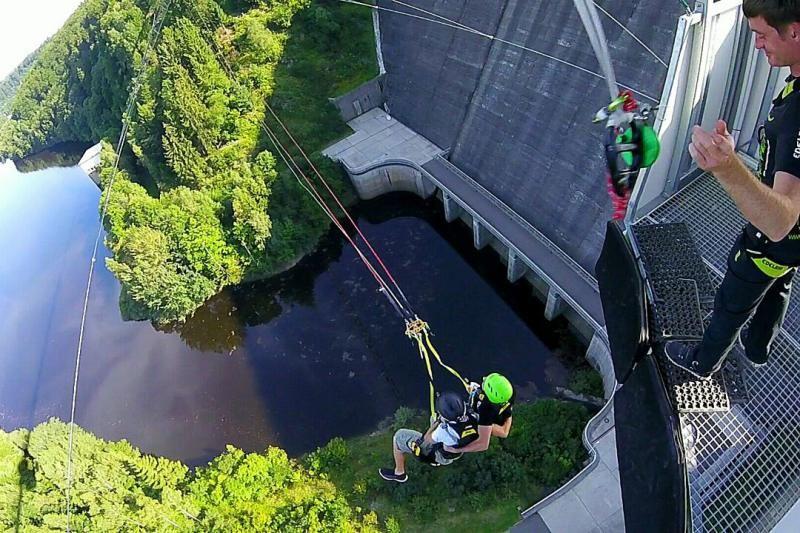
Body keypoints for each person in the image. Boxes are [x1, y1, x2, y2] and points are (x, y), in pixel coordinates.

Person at [665, 0, 800, 379]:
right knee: (778, 283)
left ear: (794, 30)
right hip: (791, 248)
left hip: (772, 241)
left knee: (732, 303)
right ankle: (758, 347)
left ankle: (701, 364)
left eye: (761, 34)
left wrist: (727, 167)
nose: (756, 45)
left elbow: (780, 221)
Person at [379, 391, 479, 483]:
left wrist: (436, 423)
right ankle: (436, 457)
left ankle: (399, 473)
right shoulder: (474, 416)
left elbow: (427, 438)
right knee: (433, 419)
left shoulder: (442, 431)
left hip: (441, 454)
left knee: (398, 437)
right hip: (457, 449)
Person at [443, 373, 514, 455]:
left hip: (489, 418)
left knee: (500, 432)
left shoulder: (485, 410)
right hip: (499, 412)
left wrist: (458, 450)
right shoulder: (509, 393)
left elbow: (483, 444)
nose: (483, 379)